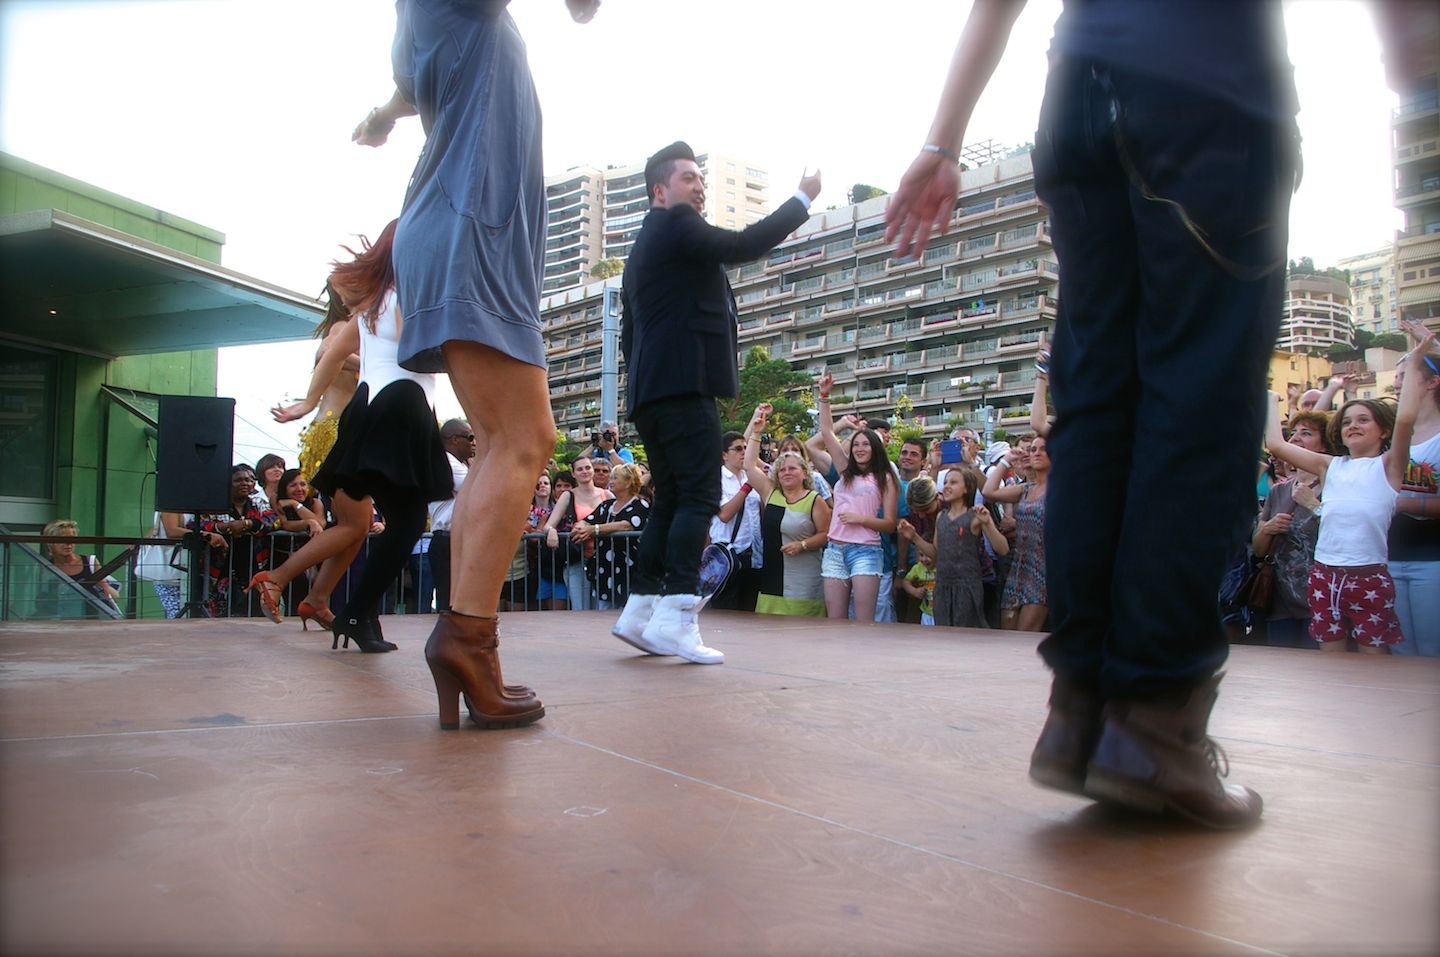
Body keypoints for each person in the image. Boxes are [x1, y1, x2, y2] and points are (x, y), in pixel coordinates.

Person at [887, 0, 1304, 826]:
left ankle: (1078, 710)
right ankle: (1154, 721)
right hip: (1209, 81)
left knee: (1098, 406)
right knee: (1199, 401)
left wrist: (943, 141)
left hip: (1077, 89)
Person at [350, 0, 601, 730]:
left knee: (500, 443)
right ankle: (465, 638)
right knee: (524, 441)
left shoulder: (415, 19)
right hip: (472, 225)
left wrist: (379, 116)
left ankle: (470, 643)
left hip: (454, 222)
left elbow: (402, 91)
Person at [609, 140, 819, 663]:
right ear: (660, 190)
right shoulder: (676, 227)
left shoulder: (643, 248)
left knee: (674, 499)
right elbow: (746, 243)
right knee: (700, 496)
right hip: (682, 386)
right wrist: (801, 198)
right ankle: (678, 615)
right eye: (688, 179)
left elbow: (631, 335)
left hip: (652, 391)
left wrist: (644, 387)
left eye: (701, 178)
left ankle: (640, 611)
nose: (699, 186)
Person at [267, 221, 453, 656]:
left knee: (376, 523)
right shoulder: (412, 295)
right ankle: (355, 613)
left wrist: (308, 401)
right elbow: (424, 353)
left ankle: (356, 615)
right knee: (404, 525)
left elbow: (332, 352)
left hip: (365, 411)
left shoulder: (373, 301)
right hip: (401, 408)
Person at [1263, 330, 1433, 651]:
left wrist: (1414, 361)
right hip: (1325, 576)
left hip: (1369, 577)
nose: (1352, 425)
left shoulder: (1388, 465)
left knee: (1374, 658)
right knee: (1332, 661)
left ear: (1383, 430)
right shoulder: (1330, 465)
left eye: (1363, 420)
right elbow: (1276, 444)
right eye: (1346, 422)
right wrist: (1272, 401)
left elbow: (1406, 418)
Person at [815, 372, 899, 622]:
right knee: (836, 621)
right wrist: (824, 395)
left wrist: (859, 519)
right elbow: (827, 433)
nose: (860, 449)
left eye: (866, 444)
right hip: (834, 550)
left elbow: (890, 523)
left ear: (875, 448)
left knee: (863, 622)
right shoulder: (844, 472)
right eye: (856, 445)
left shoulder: (886, 477)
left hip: (866, 550)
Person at [743, 403, 830, 617]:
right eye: (782, 469)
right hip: (772, 577)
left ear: (804, 473)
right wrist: (756, 433)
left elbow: (826, 535)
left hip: (804, 579)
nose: (786, 472)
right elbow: (749, 465)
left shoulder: (814, 499)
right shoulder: (771, 493)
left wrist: (803, 544)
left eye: (792, 468)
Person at [1251, 411, 1327, 649]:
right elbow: (1258, 550)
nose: (1295, 439)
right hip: (1281, 604)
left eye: (1306, 433)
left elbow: (1349, 535)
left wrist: (1314, 506)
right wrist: (1268, 529)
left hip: (1322, 602)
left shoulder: (1336, 484)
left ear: (1325, 444)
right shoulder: (1279, 491)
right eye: (1293, 433)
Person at [903, 468, 1008, 628]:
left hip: (968, 586)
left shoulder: (974, 516)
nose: (946, 486)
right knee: (944, 635)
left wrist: (988, 523)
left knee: (967, 635)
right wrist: (914, 537)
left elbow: (1003, 549)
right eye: (945, 482)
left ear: (966, 488)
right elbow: (937, 555)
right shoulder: (941, 517)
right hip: (943, 586)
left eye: (953, 482)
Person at [1389, 336, 1440, 656]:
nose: (1396, 384)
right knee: (1401, 650)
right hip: (1390, 557)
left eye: (1405, 376)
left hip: (1433, 559)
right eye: (1396, 377)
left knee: (1432, 649)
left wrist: (1402, 503)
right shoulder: (1388, 434)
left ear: (1433, 382)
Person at [290, 285, 361, 483]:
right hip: (336, 427)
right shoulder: (342, 327)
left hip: (333, 426)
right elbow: (326, 352)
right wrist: (372, 364)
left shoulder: (349, 327)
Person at [983, 437, 1050, 632]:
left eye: (1044, 449)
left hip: (1044, 569)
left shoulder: (1061, 487)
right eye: (1033, 449)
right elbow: (989, 491)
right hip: (1019, 567)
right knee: (1008, 635)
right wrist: (1007, 460)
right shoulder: (1026, 489)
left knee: (1025, 637)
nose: (1036, 453)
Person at [575, 462, 650, 610]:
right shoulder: (606, 505)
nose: (611, 481)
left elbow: (626, 525)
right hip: (605, 571)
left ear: (628, 482)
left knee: (628, 613)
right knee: (603, 613)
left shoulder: (641, 504)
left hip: (631, 570)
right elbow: (587, 520)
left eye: (615, 478)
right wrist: (581, 527)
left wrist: (594, 529)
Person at [543, 455, 612, 611]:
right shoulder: (569, 495)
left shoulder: (607, 495)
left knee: (602, 610)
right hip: (578, 560)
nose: (585, 471)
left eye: (587, 467)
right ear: (574, 474)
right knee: (580, 609)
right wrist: (552, 532)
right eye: (580, 469)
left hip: (604, 560)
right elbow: (548, 526)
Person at [428, 419, 477, 613]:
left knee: (458, 600)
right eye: (470, 437)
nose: (474, 443)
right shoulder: (448, 464)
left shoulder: (457, 464)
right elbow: (482, 487)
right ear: (455, 439)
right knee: (451, 602)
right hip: (447, 541)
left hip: (454, 540)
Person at [37, 519, 120, 618]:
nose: (68, 544)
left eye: (72, 539)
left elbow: (111, 595)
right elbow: (41, 602)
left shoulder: (90, 562)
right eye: (62, 540)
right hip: (61, 620)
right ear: (51, 543)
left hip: (91, 618)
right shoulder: (46, 567)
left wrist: (104, 588)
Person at [271, 468, 325, 617]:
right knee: (294, 600)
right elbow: (285, 524)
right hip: (287, 558)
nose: (299, 489)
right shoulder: (277, 500)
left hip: (315, 558)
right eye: (293, 485)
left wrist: (296, 505)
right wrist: (308, 522)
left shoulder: (315, 502)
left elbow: (320, 522)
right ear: (284, 487)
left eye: (303, 484)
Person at [901, 550, 938, 626]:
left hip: (942, 613)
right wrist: (914, 591)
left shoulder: (941, 567)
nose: (924, 559)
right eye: (921, 555)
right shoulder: (918, 568)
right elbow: (905, 581)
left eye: (928, 555)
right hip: (926, 613)